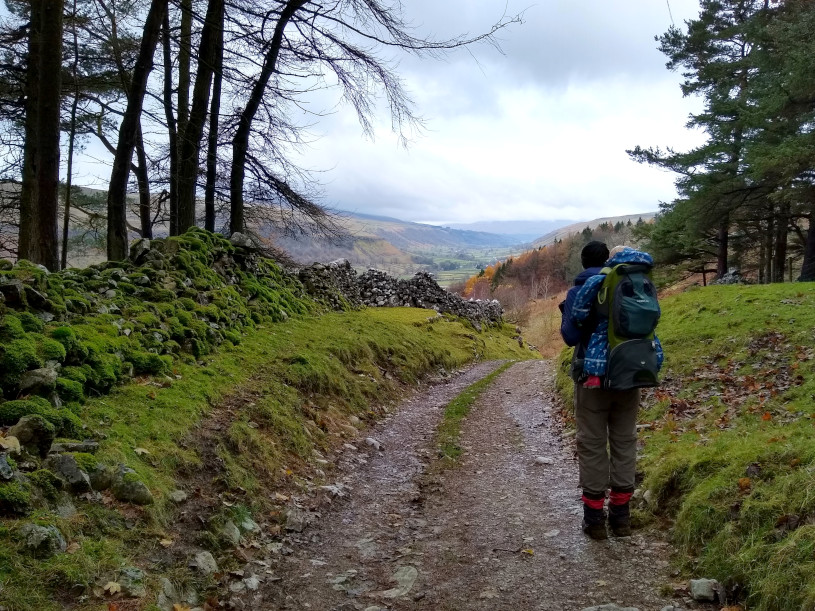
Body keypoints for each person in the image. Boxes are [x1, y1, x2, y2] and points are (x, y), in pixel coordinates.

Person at [559, 241, 640, 540]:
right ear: (607, 260)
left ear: (582, 263)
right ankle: (621, 519)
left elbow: (570, 336)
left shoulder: (580, 290)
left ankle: (594, 520)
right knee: (624, 440)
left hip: (593, 380)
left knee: (593, 443)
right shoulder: (629, 284)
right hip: (630, 374)